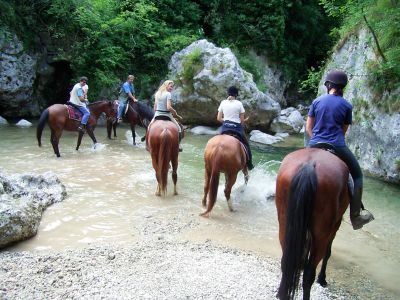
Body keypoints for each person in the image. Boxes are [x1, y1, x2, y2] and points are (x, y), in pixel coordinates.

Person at [306, 70, 374, 230]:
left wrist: (315, 140)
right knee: (357, 175)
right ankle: (356, 217)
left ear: (328, 85)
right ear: (342, 87)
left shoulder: (317, 101)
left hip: (315, 143)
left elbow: (309, 127)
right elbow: (343, 131)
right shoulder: (347, 105)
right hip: (337, 145)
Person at [217, 86, 254, 170]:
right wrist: (243, 120)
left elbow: (218, 118)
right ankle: (250, 164)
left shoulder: (223, 102)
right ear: (236, 94)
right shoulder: (239, 103)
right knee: (246, 145)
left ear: (228, 93)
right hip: (236, 128)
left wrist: (227, 121)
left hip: (225, 127)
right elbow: (241, 121)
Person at [149, 80, 183, 151]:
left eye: (172, 87)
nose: (172, 88)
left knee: (149, 127)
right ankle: (178, 145)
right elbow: (168, 107)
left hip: (157, 114)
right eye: (171, 86)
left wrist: (156, 113)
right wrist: (175, 112)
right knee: (179, 129)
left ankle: (148, 143)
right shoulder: (168, 94)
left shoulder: (157, 93)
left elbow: (155, 107)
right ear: (166, 86)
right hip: (167, 115)